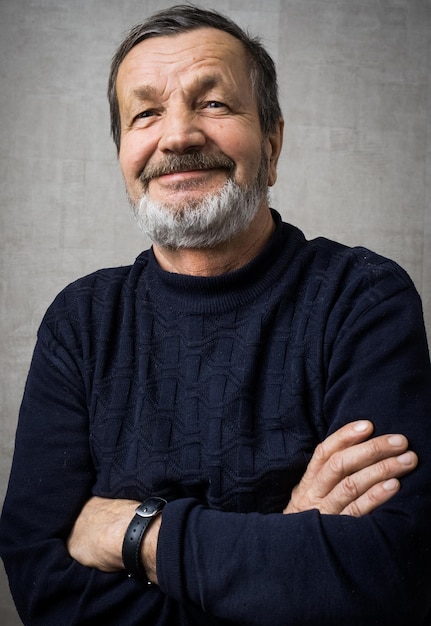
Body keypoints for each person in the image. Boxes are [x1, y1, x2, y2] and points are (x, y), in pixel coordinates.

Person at [1, 5, 431, 625]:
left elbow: (388, 575)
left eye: (214, 105)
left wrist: (133, 532)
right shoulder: (80, 323)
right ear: (123, 152)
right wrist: (286, 551)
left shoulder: (362, 298)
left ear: (273, 143)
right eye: (145, 113)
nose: (177, 136)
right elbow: (42, 585)